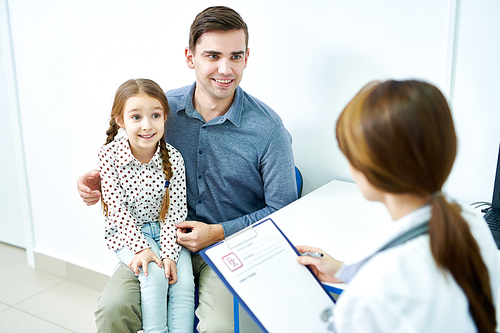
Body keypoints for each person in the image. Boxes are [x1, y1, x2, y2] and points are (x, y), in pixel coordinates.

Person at [77, 6, 297, 333]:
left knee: (220, 327)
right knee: (113, 310)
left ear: (247, 58)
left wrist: (219, 232)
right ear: (190, 57)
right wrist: (94, 180)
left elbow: (285, 211)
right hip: (155, 236)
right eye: (212, 55)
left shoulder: (268, 129)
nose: (225, 69)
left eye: (236, 56)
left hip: (226, 247)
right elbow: (128, 155)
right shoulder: (161, 111)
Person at [297, 79, 499, 332]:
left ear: (371, 167)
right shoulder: (471, 222)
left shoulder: (373, 292)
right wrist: (344, 270)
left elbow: (391, 290)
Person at [99, 78, 194, 333]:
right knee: (153, 280)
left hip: (167, 234)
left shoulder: (173, 158)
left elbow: (174, 213)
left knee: (183, 283)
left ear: (165, 117)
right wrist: (141, 249)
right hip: (130, 236)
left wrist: (170, 254)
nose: (147, 125)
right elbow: (116, 210)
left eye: (155, 115)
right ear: (121, 120)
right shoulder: (108, 156)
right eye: (136, 117)